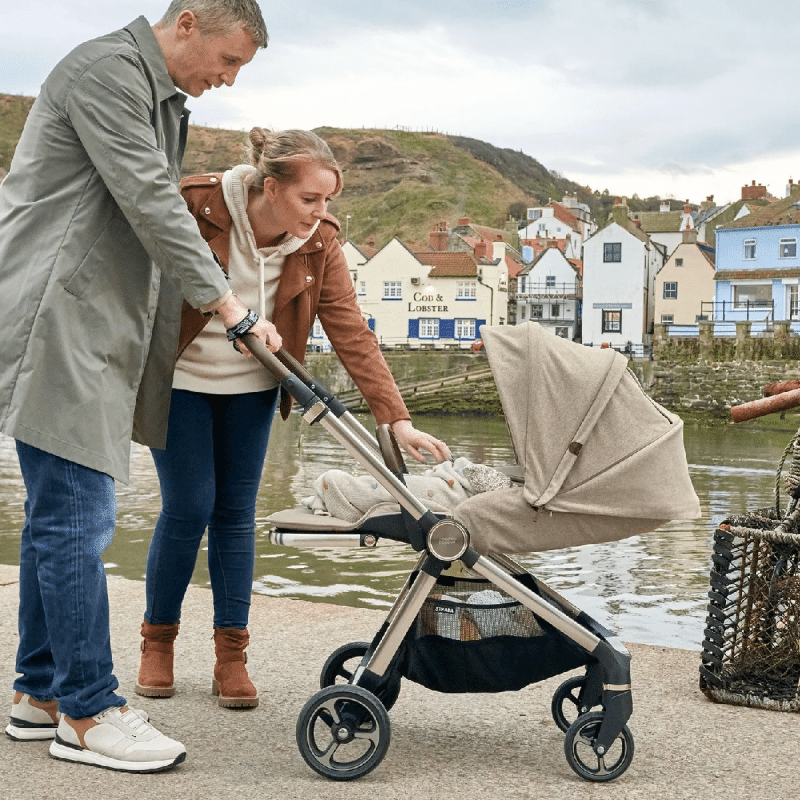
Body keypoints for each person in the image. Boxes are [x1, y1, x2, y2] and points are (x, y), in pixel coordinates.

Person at [0, 1, 275, 773]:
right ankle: (89, 712)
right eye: (229, 60)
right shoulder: (107, 74)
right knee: (79, 514)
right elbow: (152, 200)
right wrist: (229, 306)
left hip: (90, 325)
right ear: (188, 22)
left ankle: (41, 693)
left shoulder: (158, 97)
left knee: (60, 511)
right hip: (59, 320)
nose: (227, 80)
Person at [135, 127, 452, 708]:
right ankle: (158, 643)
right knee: (188, 504)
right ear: (269, 186)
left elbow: (349, 329)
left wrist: (396, 420)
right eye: (311, 199)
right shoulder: (197, 204)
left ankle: (231, 656)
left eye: (328, 200)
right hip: (178, 380)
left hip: (255, 386)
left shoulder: (318, 240)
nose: (321, 213)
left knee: (234, 513)